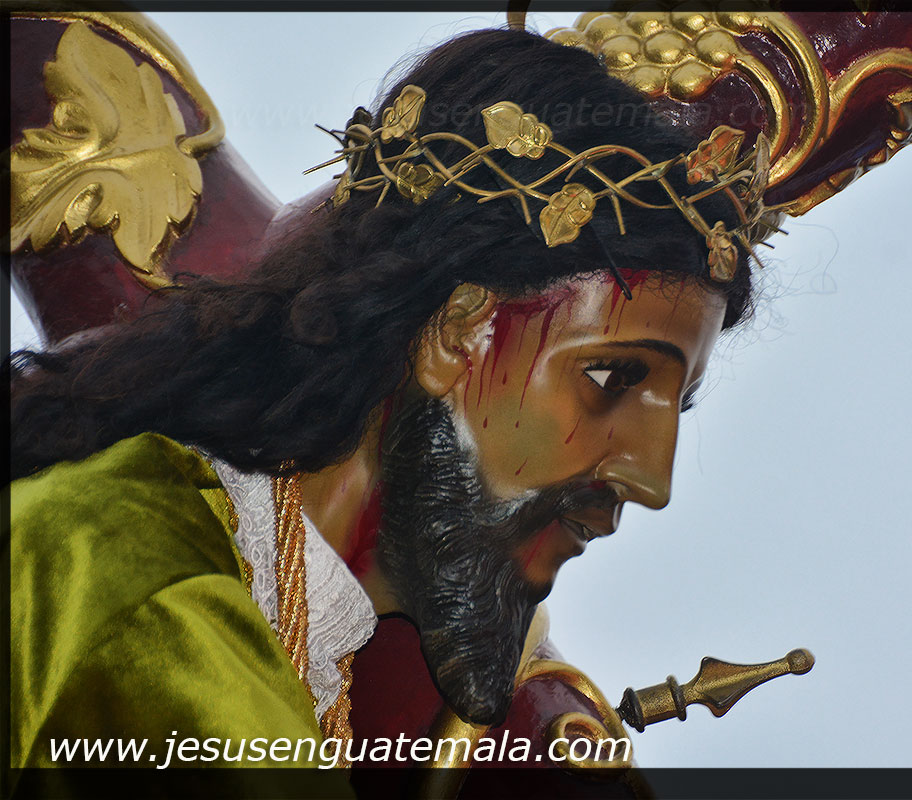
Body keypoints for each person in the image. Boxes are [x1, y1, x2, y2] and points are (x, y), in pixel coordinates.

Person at [8, 25, 751, 793]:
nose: (651, 479)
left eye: (679, 406)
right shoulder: (152, 605)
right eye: (611, 377)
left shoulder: (275, 615)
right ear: (455, 335)